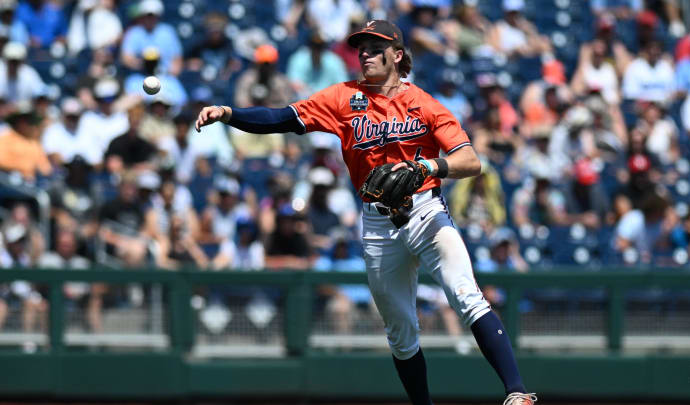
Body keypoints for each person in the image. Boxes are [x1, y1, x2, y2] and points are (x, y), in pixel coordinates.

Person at [195, 19, 536, 405]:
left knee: (466, 295)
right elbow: (282, 118)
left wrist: (428, 166)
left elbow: (470, 161)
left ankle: (517, 392)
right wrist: (228, 112)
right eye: (362, 48)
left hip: (425, 211)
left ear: (397, 54)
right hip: (377, 223)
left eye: (376, 47)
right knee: (401, 333)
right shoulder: (343, 97)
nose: (365, 54)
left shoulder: (423, 103)